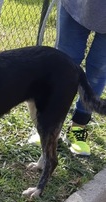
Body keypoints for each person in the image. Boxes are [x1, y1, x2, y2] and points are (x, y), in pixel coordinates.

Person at [29, 0, 106, 156]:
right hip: (78, 5)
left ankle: (79, 127)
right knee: (63, 64)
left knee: (99, 69)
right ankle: (46, 127)